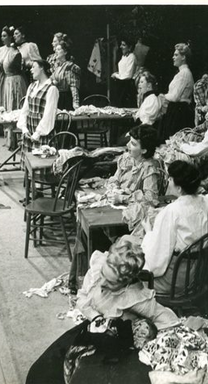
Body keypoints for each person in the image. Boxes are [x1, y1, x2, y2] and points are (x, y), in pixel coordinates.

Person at [26, 235, 180, 384]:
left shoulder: (134, 298)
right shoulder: (98, 266)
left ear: (125, 284)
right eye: (103, 275)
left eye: (111, 282)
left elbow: (169, 320)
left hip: (112, 344)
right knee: (39, 374)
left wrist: (141, 334)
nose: (102, 283)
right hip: (89, 330)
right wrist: (95, 317)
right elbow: (82, 297)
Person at [68, 125, 161, 293]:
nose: (128, 146)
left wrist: (123, 197)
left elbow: (151, 199)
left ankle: (99, 279)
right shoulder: (126, 159)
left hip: (128, 221)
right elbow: (115, 179)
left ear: (144, 150)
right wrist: (112, 187)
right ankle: (84, 279)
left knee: (93, 229)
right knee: (84, 224)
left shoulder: (149, 169)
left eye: (133, 144)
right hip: (116, 208)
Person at [141, 160, 208, 295]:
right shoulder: (206, 203)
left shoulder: (172, 211)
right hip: (197, 274)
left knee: (126, 274)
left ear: (179, 188)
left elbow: (156, 258)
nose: (168, 180)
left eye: (170, 178)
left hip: (175, 279)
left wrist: (148, 231)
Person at [0, 25, 27, 147]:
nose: (2, 38)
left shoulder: (16, 53)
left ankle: (18, 139)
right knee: (8, 106)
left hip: (15, 81)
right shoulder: (4, 50)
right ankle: (9, 139)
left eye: (5, 35)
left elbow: (18, 67)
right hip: (6, 80)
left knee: (15, 106)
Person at [17, 59, 59, 151]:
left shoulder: (51, 89)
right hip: (29, 130)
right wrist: (24, 128)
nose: (31, 70)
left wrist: (38, 133)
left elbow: (49, 115)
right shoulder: (32, 86)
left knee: (42, 161)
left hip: (42, 133)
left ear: (41, 68)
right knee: (28, 161)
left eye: (33, 67)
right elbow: (25, 109)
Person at [158, 43, 195, 143]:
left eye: (176, 55)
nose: (173, 57)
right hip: (175, 110)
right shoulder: (181, 73)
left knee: (175, 141)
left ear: (183, 57)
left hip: (179, 112)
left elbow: (175, 97)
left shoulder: (184, 73)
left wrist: (163, 96)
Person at [50, 40, 81, 110]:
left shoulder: (69, 67)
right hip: (57, 98)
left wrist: (75, 104)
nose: (56, 51)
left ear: (65, 52)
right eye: (56, 49)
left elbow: (74, 86)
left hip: (65, 100)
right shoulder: (57, 66)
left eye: (58, 49)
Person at [111, 37, 137, 108]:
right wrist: (118, 74)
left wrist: (116, 75)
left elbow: (128, 75)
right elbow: (123, 72)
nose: (121, 47)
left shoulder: (131, 57)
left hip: (127, 86)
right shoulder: (123, 56)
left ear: (130, 47)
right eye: (121, 44)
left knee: (126, 106)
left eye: (124, 45)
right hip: (121, 85)